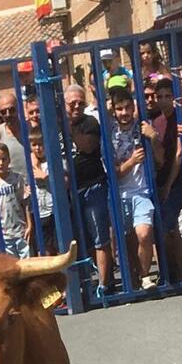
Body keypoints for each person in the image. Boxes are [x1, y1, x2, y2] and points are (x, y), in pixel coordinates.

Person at [109, 88, 163, 288]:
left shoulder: (143, 129)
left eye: (127, 107)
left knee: (144, 234)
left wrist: (154, 138)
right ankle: (133, 278)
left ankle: (145, 276)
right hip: (120, 195)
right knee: (128, 242)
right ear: (114, 110)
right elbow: (112, 172)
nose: (124, 112)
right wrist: (131, 162)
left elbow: (160, 159)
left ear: (134, 107)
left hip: (141, 192)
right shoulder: (110, 135)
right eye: (119, 108)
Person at [70, 114, 113, 295]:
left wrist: (74, 134)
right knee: (79, 240)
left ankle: (103, 285)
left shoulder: (89, 122)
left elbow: (88, 145)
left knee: (99, 238)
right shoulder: (61, 129)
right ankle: (85, 284)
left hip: (93, 188)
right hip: (73, 193)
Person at [152, 78, 182, 281]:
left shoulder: (181, 118)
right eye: (160, 97)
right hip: (161, 179)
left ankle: (181, 272)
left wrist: (168, 185)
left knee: (170, 227)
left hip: (179, 181)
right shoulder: (156, 121)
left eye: (168, 96)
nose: (164, 100)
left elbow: (178, 155)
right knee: (168, 228)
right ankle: (172, 272)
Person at [0, 143, 32, 259]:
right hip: (4, 233)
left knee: (27, 263)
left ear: (9, 160)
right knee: (11, 266)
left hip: (21, 230)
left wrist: (29, 225)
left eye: (4, 159)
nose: (1, 163)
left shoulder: (17, 178)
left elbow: (25, 202)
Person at [28, 128, 56, 253]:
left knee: (59, 245)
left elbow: (60, 183)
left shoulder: (52, 161)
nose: (38, 148)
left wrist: (44, 176)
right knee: (44, 249)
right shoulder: (31, 163)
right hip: (39, 212)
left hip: (54, 211)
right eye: (34, 145)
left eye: (40, 144)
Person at [0, 90, 27, 176]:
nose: (8, 114)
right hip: (13, 185)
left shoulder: (30, 127)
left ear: (18, 108)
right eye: (3, 112)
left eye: (11, 110)